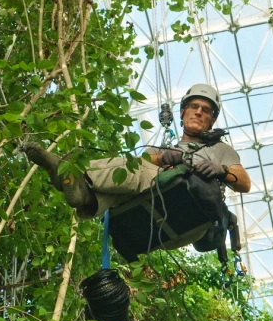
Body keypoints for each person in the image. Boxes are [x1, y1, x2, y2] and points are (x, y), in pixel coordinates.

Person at [21, 84, 252, 220]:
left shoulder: (220, 149)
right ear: (182, 113)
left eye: (206, 110)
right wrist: (162, 157)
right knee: (128, 179)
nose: (199, 112)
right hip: (156, 197)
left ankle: (69, 170)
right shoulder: (165, 146)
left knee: (137, 171)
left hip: (193, 200)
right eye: (194, 106)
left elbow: (244, 183)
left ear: (212, 121)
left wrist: (220, 170)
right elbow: (144, 159)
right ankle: (82, 195)